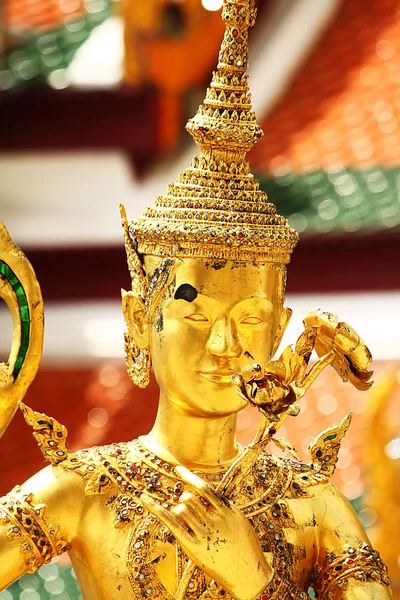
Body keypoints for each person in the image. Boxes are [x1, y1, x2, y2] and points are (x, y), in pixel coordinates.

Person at [0, 1, 393, 598]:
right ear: (141, 320)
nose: (223, 343)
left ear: (280, 330)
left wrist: (253, 576)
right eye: (195, 312)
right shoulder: (84, 490)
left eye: (252, 318)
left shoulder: (312, 507)